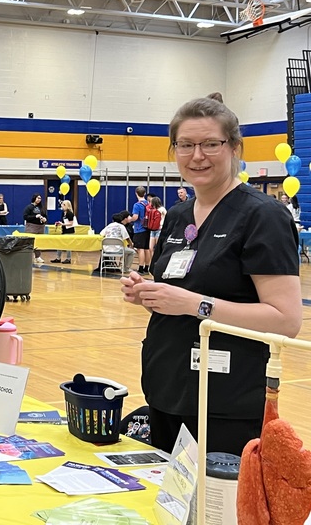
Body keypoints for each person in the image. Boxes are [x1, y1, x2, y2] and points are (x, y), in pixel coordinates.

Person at [121, 95, 302, 456]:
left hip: (225, 402)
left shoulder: (263, 216)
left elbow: (285, 321)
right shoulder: (177, 214)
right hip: (166, 389)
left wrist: (193, 304)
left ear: (234, 148)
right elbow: (178, 296)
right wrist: (150, 295)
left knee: (214, 510)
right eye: (185, 145)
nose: (197, 156)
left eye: (210, 144)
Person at [129, 186, 150, 273]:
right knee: (146, 249)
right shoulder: (149, 204)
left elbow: (135, 217)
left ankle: (140, 268)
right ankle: (147, 267)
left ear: (136, 193)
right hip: (148, 228)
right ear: (145, 194)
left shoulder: (137, 205)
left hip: (139, 229)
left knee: (140, 249)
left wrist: (129, 219)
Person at [22, 193, 46, 263]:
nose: (39, 199)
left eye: (40, 198)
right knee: (30, 242)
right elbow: (25, 217)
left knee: (39, 242)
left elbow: (45, 215)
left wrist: (44, 219)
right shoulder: (29, 207)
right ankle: (28, 256)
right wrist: (35, 217)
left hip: (40, 226)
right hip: (31, 226)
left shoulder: (41, 207)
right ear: (34, 198)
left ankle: (38, 256)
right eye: (38, 198)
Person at [51, 199, 75, 264]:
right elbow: (64, 222)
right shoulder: (63, 213)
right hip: (64, 231)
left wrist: (63, 224)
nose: (62, 206)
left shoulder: (70, 213)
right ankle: (58, 258)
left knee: (68, 245)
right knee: (59, 244)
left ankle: (68, 258)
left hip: (69, 231)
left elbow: (71, 223)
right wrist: (59, 223)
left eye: (64, 205)